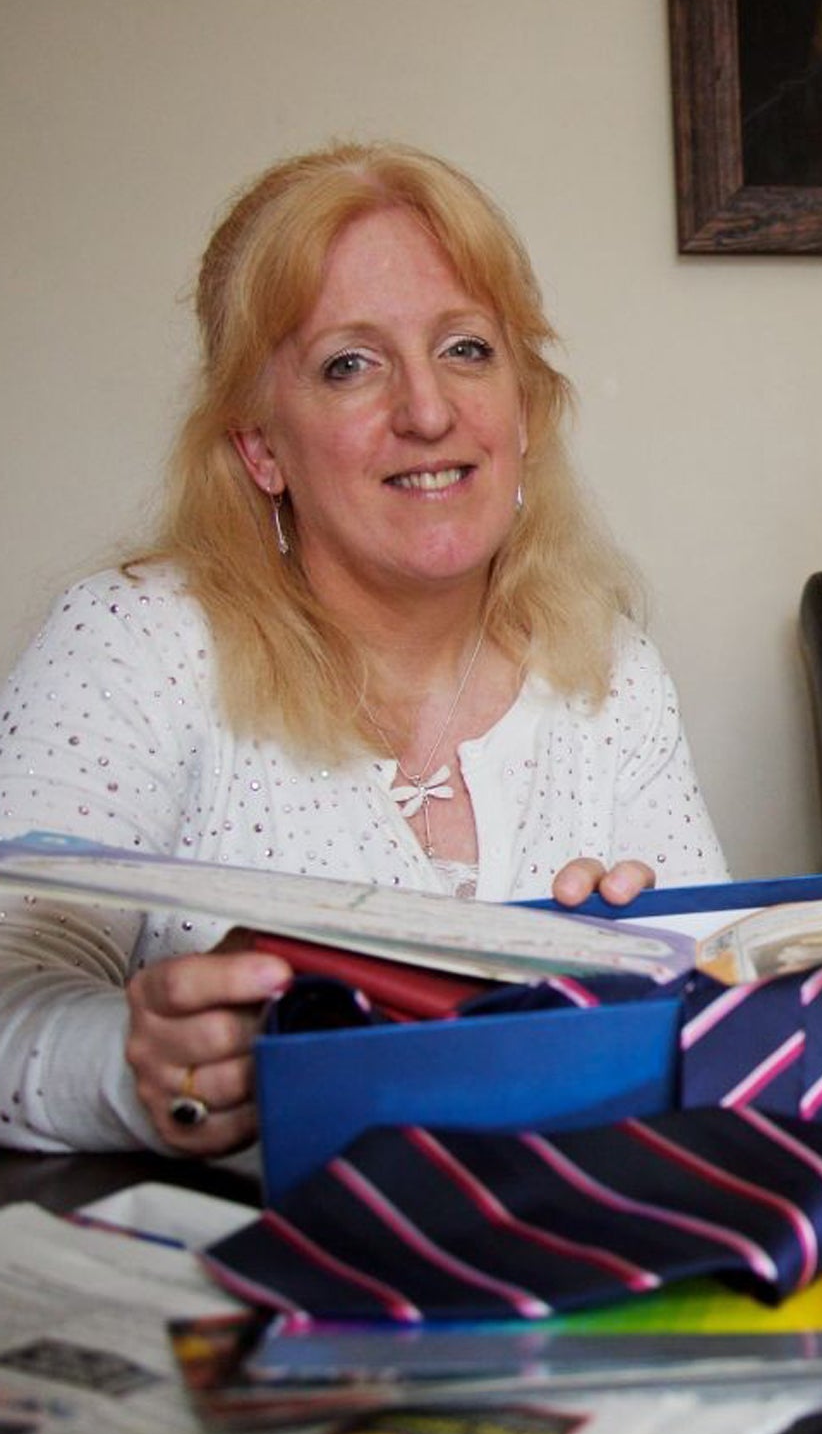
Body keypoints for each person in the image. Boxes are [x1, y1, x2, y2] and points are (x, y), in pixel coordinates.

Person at [0, 142, 726, 1157]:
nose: (428, 412)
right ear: (259, 446)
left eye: (466, 350)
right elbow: (8, 1002)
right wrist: (150, 1068)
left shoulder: (610, 667)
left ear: (522, 402)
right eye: (351, 364)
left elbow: (723, 1029)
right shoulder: (134, 644)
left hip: (570, 1276)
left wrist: (654, 992)